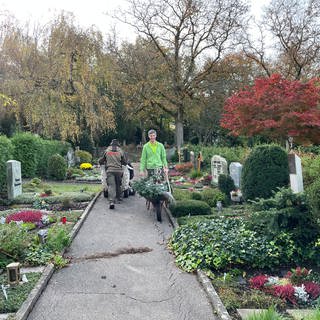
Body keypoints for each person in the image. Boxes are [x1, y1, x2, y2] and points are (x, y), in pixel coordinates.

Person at [99, 139, 127, 209]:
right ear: (118, 145)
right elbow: (124, 162)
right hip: (118, 171)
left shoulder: (107, 151)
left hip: (110, 170)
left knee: (111, 185)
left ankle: (112, 201)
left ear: (111, 144)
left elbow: (102, 160)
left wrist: (101, 162)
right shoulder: (120, 151)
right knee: (118, 184)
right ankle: (119, 198)